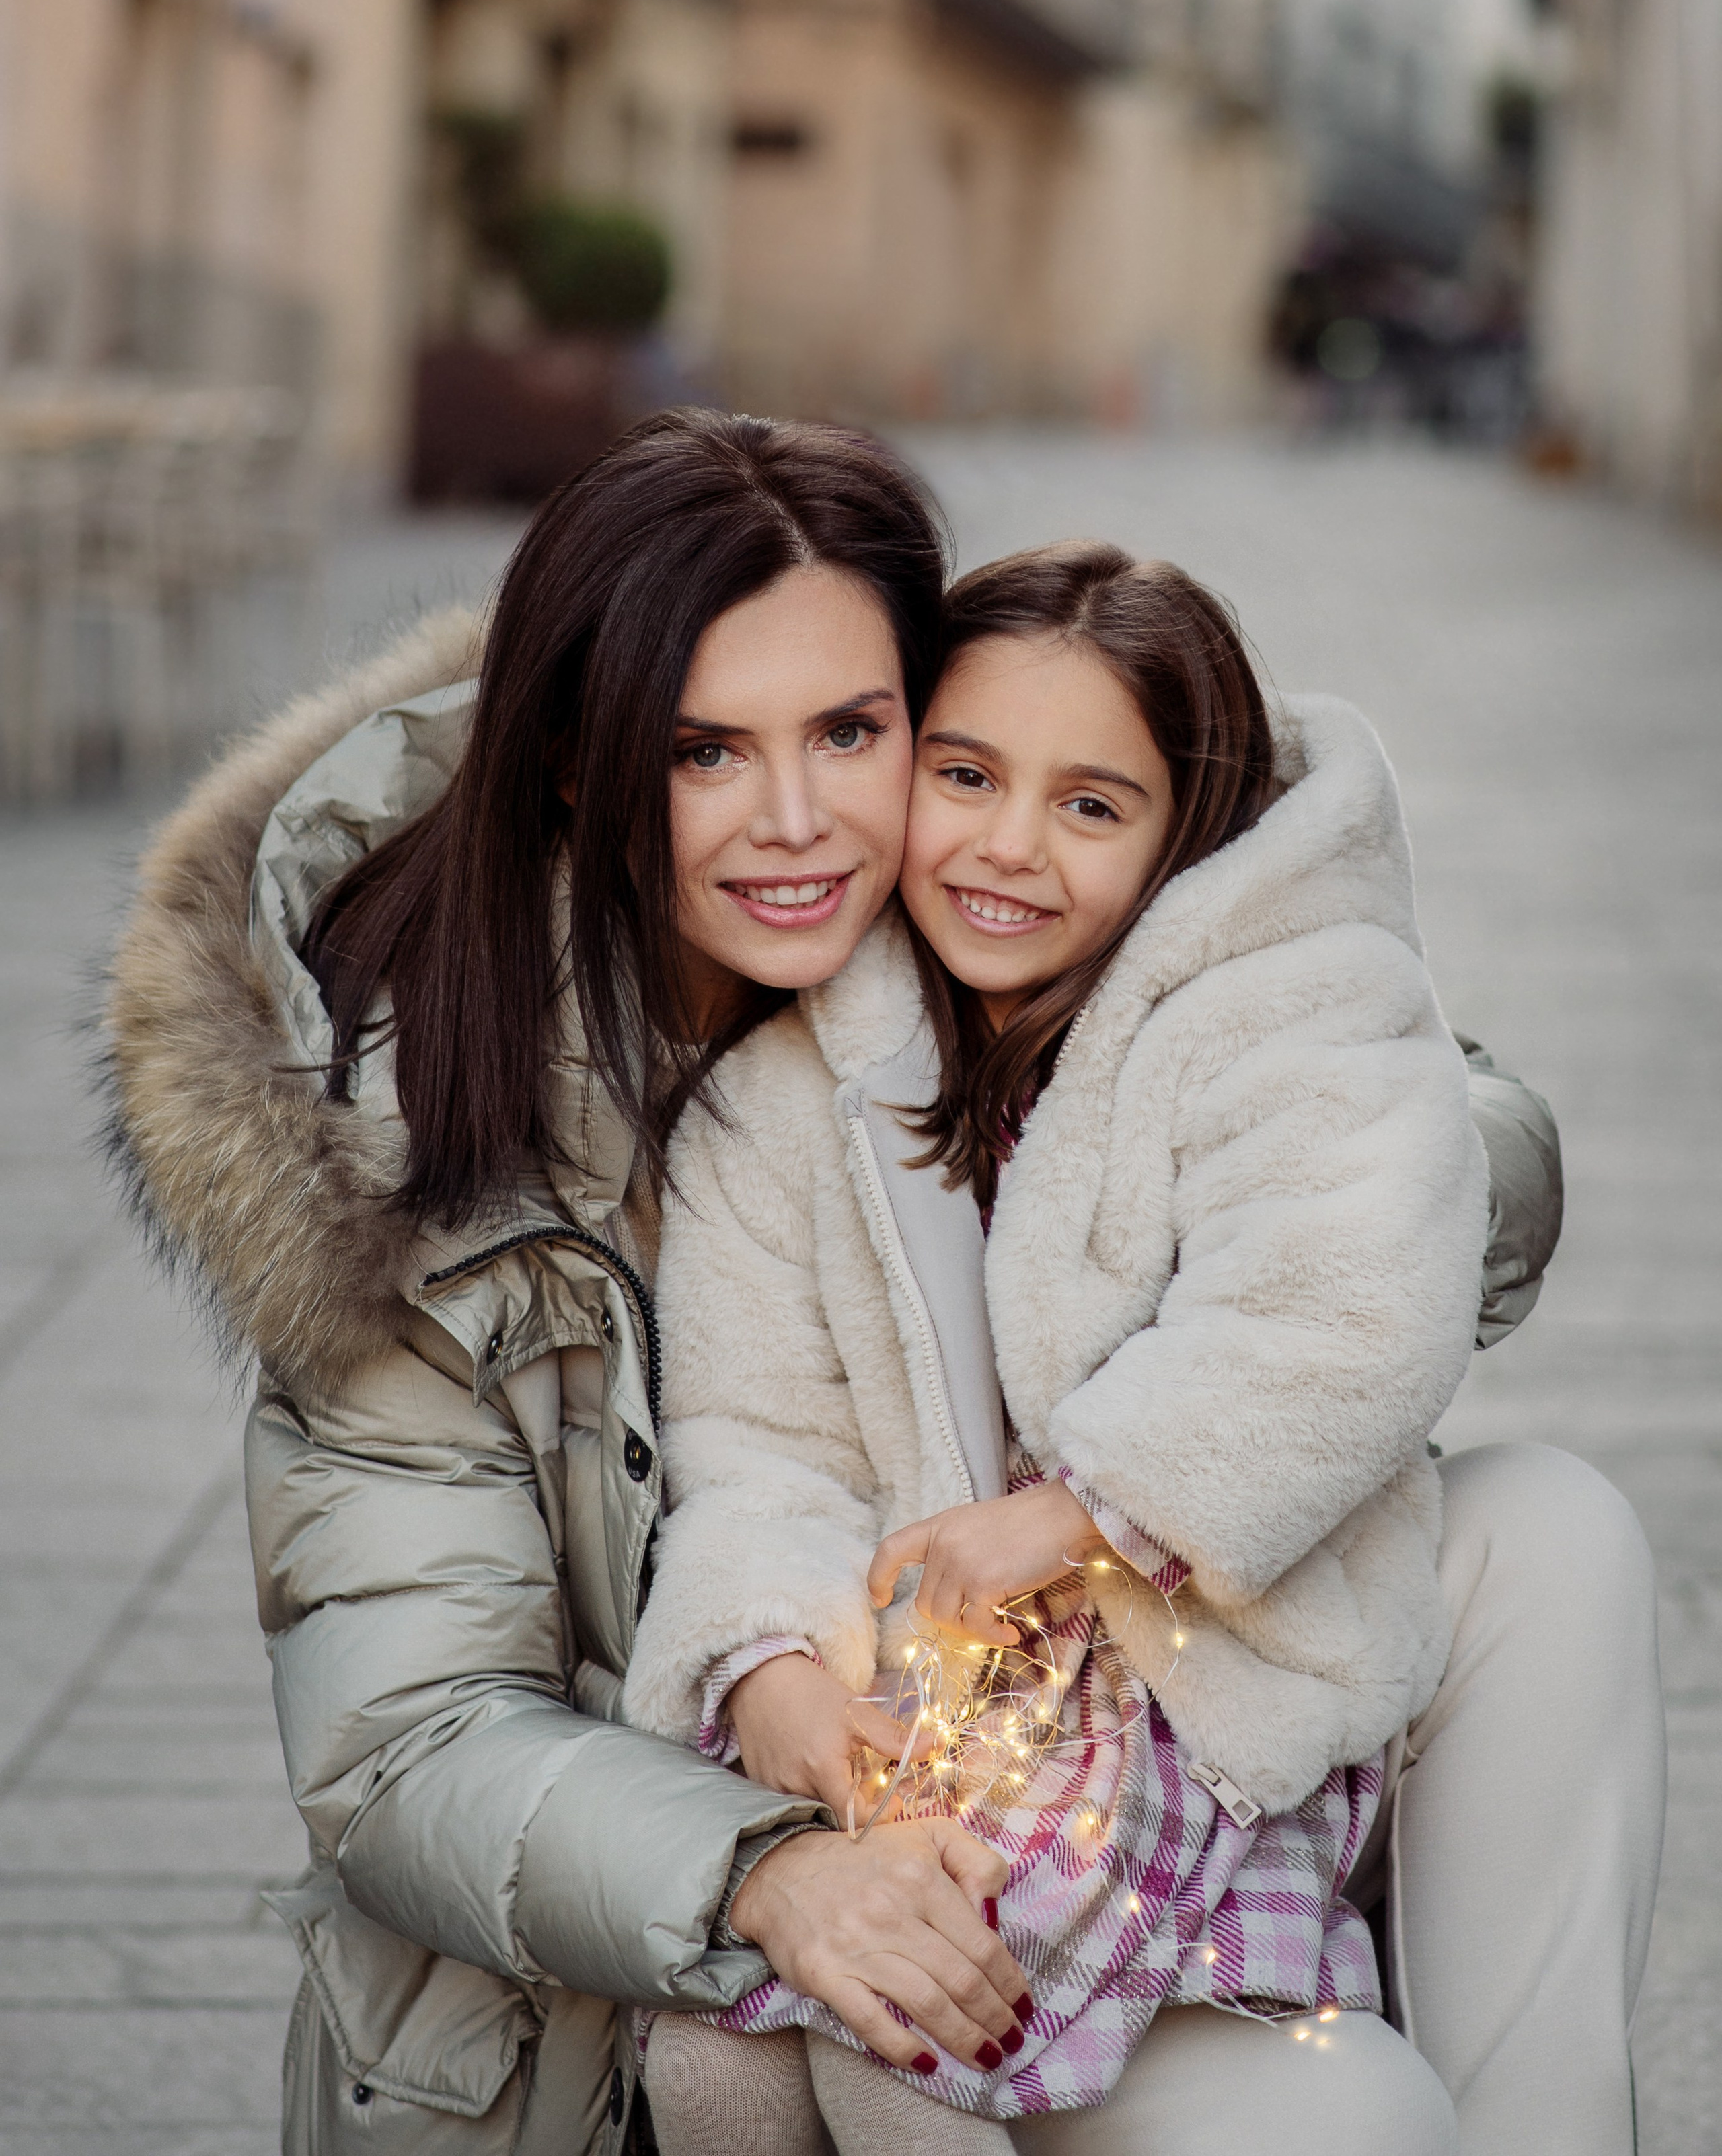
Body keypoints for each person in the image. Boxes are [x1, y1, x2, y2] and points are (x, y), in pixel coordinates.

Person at [100, 414, 1655, 2156]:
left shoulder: (1022, 920)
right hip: (649, 1969)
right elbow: (408, 1749)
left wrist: (1269, 954)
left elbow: (1414, 1188)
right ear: (578, 762)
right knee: (1348, 2115)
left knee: (1548, 1527)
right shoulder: (403, 1151)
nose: (799, 819)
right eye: (705, 749)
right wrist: (776, 1867)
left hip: (1070, 1785)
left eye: (852, 728)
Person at [626, 544, 1479, 2152]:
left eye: (1091, 805)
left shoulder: (1287, 1008)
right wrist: (768, 1665)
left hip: (1169, 1692)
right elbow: (755, 1430)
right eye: (963, 775)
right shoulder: (787, 1091)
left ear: (1181, 836)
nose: (1006, 848)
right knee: (711, 2064)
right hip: (919, 1704)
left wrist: (1076, 1509)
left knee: (909, 2032)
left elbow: (1341, 1297)